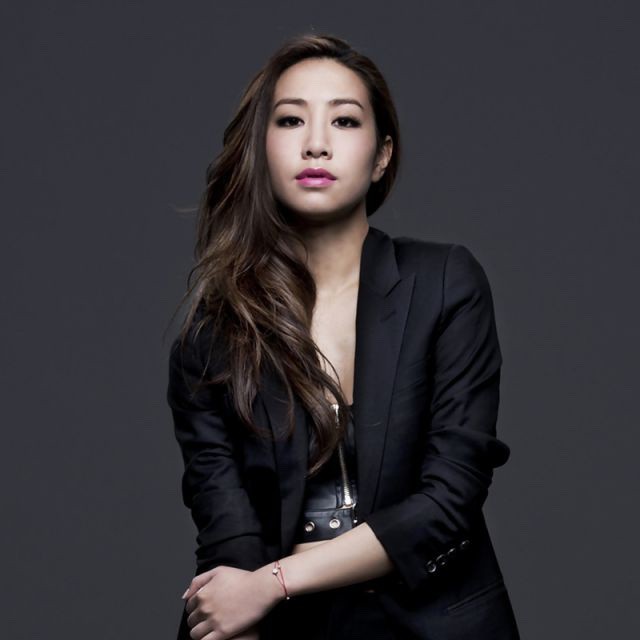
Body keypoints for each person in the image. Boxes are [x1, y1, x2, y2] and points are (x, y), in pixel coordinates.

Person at [167, 33, 520, 640]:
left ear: (382, 156)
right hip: (278, 626)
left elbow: (449, 499)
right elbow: (229, 535)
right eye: (290, 119)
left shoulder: (443, 283)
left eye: (345, 120)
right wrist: (249, 601)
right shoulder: (214, 332)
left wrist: (274, 581)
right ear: (261, 148)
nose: (316, 143)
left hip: (431, 623)